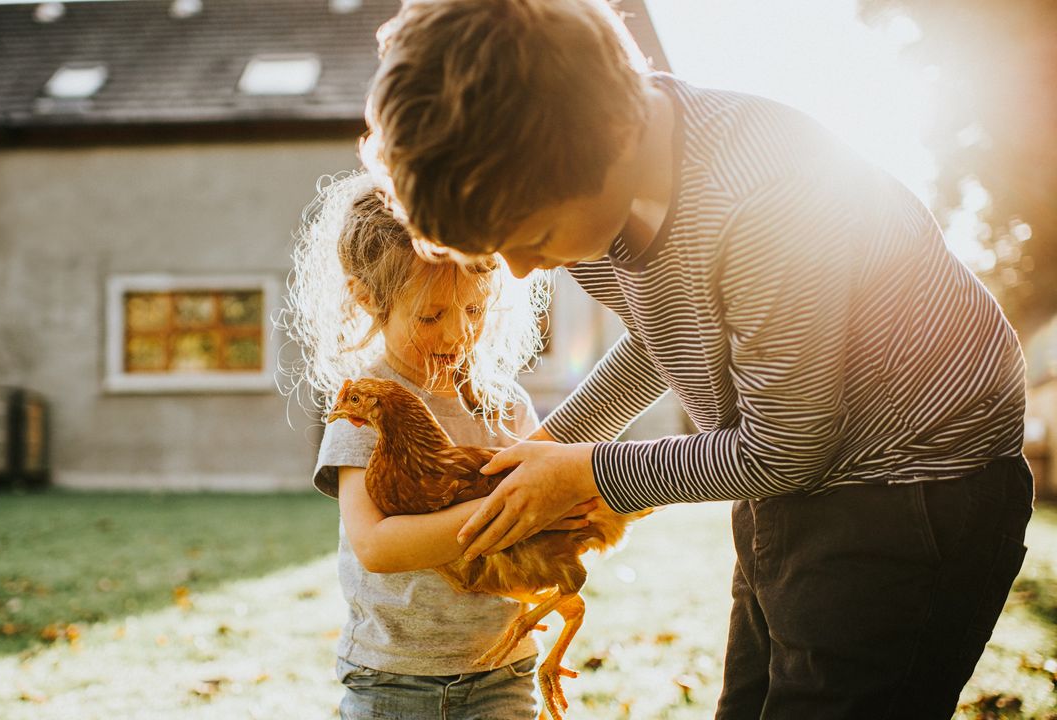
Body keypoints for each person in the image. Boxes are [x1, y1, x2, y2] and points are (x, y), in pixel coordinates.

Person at [359, 1, 1034, 717]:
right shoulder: (590, 208)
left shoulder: (765, 196)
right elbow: (664, 333)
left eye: (534, 235)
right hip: (788, 475)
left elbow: (790, 446)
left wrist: (588, 472)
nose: (523, 270)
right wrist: (547, 448)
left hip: (913, 489)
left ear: (611, 138)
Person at [284, 171, 585, 719]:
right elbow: (376, 546)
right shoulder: (365, 408)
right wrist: (505, 509)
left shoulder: (502, 401)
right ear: (367, 299)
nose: (455, 334)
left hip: (502, 666)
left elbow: (541, 509)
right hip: (394, 675)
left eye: (472, 310)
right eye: (430, 315)